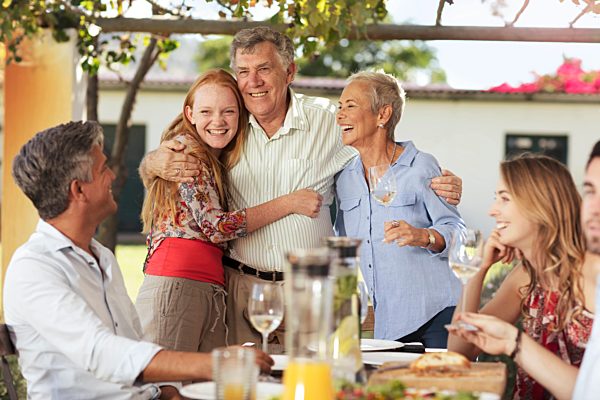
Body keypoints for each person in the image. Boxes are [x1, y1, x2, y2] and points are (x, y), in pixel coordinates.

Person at [139, 26, 464, 345]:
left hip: (313, 290)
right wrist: (151, 162)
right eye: (243, 71)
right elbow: (187, 142)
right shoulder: (229, 125)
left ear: (289, 71)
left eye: (264, 69)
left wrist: (436, 179)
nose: (253, 82)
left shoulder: (328, 121)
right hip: (241, 289)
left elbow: (380, 141)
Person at [4, 121, 272, 400]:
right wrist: (219, 363)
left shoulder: (101, 257)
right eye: (102, 169)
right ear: (79, 190)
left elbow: (132, 343)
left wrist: (168, 392)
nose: (113, 175)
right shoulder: (34, 268)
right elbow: (102, 353)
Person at [135, 69, 322, 354]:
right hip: (178, 283)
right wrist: (289, 203)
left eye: (228, 111)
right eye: (206, 111)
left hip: (206, 286)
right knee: (166, 387)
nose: (218, 121)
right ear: (190, 113)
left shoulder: (217, 157)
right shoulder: (186, 152)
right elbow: (216, 227)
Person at [449, 142, 600, 400]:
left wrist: (515, 342)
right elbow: (460, 350)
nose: (492, 210)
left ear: (539, 207)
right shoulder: (526, 277)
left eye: (504, 199)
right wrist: (479, 269)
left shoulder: (589, 274)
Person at [334, 70, 464, 348]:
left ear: (382, 115)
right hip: (388, 323)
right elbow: (343, 247)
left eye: (351, 106)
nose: (340, 114)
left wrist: (424, 236)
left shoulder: (421, 166)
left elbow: (457, 230)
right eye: (339, 106)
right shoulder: (345, 178)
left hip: (438, 313)